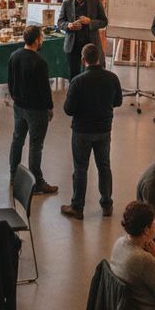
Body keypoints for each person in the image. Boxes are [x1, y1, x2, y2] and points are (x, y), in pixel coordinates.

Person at [60, 43, 122, 219]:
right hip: (104, 129)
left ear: (83, 60)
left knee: (80, 169)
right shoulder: (112, 78)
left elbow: (68, 110)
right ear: (100, 59)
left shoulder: (78, 81)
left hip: (82, 131)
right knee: (104, 166)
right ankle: (107, 204)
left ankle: (77, 207)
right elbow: (118, 102)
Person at [7, 24, 57, 195]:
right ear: (37, 40)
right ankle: (37, 182)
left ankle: (14, 175)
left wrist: (15, 98)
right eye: (41, 37)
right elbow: (44, 90)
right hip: (36, 110)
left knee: (17, 140)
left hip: (19, 106)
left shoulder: (14, 56)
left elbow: (10, 82)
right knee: (36, 146)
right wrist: (49, 107)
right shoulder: (40, 62)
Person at [56, 0, 108, 81]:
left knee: (94, 77)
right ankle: (74, 95)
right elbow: (60, 22)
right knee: (73, 76)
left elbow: (104, 22)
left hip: (91, 45)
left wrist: (90, 22)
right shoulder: (66, 4)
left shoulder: (95, 2)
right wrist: (69, 25)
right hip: (73, 46)